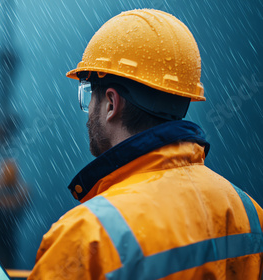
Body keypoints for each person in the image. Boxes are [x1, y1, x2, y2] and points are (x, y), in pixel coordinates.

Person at [28, 9, 263, 279]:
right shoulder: (249, 212)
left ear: (111, 104)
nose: (88, 111)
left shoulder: (85, 237)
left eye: (89, 97)